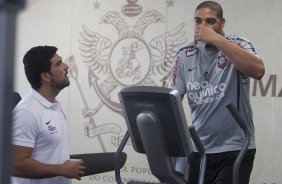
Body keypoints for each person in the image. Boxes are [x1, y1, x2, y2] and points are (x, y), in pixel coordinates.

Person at [168, 1, 265, 184]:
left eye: (210, 21)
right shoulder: (184, 54)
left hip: (235, 148)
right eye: (198, 21)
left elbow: (258, 70)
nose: (202, 27)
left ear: (222, 23)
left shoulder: (239, 44)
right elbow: (172, 102)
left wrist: (216, 39)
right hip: (199, 149)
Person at [11, 46, 86, 184]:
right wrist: (62, 170)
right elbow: (16, 165)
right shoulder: (26, 112)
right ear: (45, 76)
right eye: (59, 64)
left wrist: (67, 167)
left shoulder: (55, 106)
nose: (66, 66)